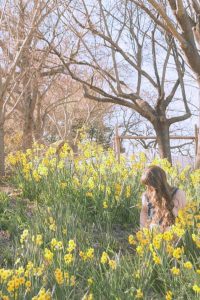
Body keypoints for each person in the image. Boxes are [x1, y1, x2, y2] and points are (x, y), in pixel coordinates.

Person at [140, 165, 186, 231]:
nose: (147, 189)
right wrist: (143, 231)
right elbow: (144, 212)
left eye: (149, 185)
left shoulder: (178, 194)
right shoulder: (146, 196)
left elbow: (183, 218)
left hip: (173, 234)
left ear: (158, 184)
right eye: (146, 185)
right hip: (154, 235)